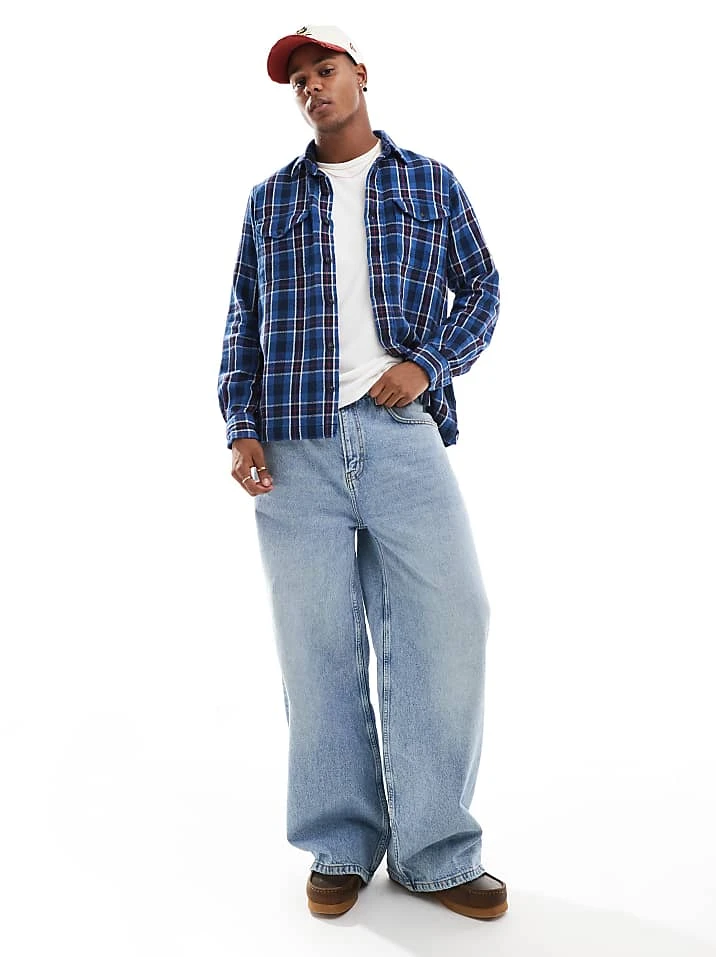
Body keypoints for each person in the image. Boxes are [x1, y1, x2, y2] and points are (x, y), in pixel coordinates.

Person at [217, 24, 507, 921]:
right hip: (294, 445)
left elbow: (484, 287)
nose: (312, 86)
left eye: (325, 69)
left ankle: (435, 850)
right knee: (316, 646)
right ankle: (341, 841)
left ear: (360, 73)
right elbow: (242, 319)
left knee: (452, 616)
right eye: (298, 80)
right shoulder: (270, 201)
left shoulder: (430, 182)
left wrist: (428, 363)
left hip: (400, 433)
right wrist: (240, 425)